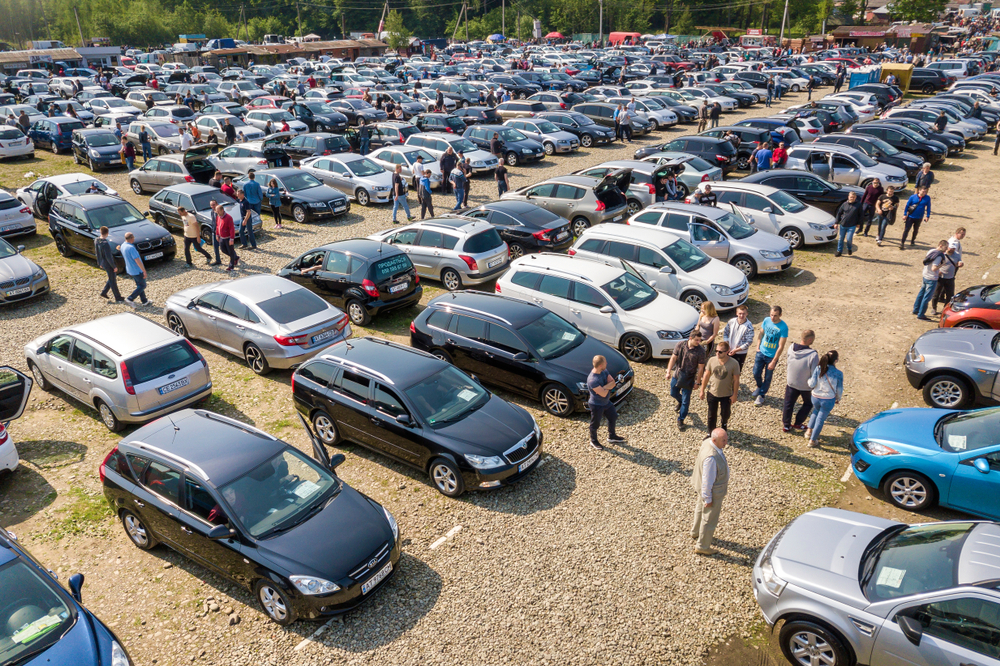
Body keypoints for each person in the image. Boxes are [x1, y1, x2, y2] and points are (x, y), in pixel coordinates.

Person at [690, 428, 729, 555]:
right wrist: (708, 498)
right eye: (723, 440)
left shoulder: (707, 443)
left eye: (726, 439)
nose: (726, 442)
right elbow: (708, 480)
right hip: (712, 492)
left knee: (700, 509)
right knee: (709, 519)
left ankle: (696, 532)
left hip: (700, 486)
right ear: (714, 440)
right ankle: (703, 545)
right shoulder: (711, 458)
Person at [666, 331, 707, 431]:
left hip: (689, 378)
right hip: (677, 374)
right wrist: (668, 371)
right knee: (673, 393)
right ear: (690, 338)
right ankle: (679, 401)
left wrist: (698, 382)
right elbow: (673, 357)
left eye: (700, 340)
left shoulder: (701, 351)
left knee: (686, 400)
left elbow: (701, 368)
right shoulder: (681, 344)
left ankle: (681, 419)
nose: (698, 342)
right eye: (696, 340)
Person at [782, 330, 818, 433]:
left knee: (788, 404)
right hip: (805, 386)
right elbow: (814, 372)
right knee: (808, 403)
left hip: (791, 382)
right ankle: (798, 423)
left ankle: (786, 425)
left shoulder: (791, 348)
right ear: (810, 339)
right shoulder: (813, 355)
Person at [752, 305, 788, 407]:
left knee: (768, 377)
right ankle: (759, 386)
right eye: (771, 315)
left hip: (771, 356)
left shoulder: (783, 327)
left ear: (780, 315)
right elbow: (761, 333)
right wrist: (758, 346)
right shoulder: (766, 320)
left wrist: (774, 360)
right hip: (761, 352)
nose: (773, 317)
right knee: (755, 372)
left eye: (775, 316)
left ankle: (762, 395)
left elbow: (781, 346)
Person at [587, 355, 625, 451]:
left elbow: (613, 382)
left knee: (613, 416)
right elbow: (604, 393)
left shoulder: (604, 371)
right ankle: (593, 440)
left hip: (606, 402)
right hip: (596, 405)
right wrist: (607, 387)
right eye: (605, 362)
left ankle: (612, 436)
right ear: (600, 365)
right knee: (595, 424)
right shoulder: (592, 380)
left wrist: (604, 387)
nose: (606, 364)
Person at [805, 351, 843, 447]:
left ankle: (808, 431)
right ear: (836, 360)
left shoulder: (818, 368)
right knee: (820, 419)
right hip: (828, 399)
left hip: (815, 397)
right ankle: (812, 441)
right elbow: (839, 389)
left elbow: (812, 384)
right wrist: (838, 398)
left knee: (815, 411)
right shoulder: (839, 373)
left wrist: (808, 380)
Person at [700, 342, 739, 432]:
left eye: (720, 352)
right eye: (716, 351)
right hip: (712, 392)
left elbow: (736, 380)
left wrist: (735, 394)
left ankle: (724, 424)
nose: (717, 353)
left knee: (725, 413)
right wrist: (702, 390)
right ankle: (710, 432)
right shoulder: (711, 360)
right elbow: (706, 375)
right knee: (711, 415)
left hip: (726, 394)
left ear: (727, 352)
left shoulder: (734, 363)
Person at [914, 239, 947, 321]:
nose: (946, 250)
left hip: (925, 275)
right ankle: (921, 314)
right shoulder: (939, 256)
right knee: (927, 297)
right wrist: (942, 265)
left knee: (921, 293)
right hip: (932, 278)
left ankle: (916, 309)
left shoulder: (931, 251)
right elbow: (933, 268)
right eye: (945, 248)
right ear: (941, 246)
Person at [120, 232, 149, 307]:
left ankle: (144, 301)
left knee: (139, 285)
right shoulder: (131, 248)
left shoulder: (123, 245)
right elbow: (137, 260)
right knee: (142, 285)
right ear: (131, 238)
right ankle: (130, 298)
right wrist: (144, 270)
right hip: (137, 270)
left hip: (130, 269)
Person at [94, 226, 123, 302]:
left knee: (111, 278)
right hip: (108, 263)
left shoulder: (96, 240)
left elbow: (97, 252)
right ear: (107, 233)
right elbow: (108, 256)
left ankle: (104, 292)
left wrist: (99, 262)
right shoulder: (105, 243)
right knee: (112, 280)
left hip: (103, 262)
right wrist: (114, 266)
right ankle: (117, 297)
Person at [722, 305, 754, 370]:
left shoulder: (749, 327)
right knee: (726, 369)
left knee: (737, 371)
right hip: (728, 350)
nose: (742, 316)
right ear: (736, 313)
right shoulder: (731, 322)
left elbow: (749, 342)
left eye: (744, 314)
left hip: (740, 353)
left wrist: (736, 350)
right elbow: (725, 333)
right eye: (740, 313)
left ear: (747, 313)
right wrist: (727, 344)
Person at [834, 191, 863, 257]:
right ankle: (839, 251)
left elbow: (861, 215)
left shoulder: (858, 205)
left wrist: (859, 223)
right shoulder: (844, 204)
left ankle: (849, 248)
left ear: (855, 197)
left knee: (849, 239)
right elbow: (839, 213)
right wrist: (836, 222)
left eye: (853, 197)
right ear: (848, 197)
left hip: (852, 226)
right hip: (843, 225)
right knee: (841, 239)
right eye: (850, 197)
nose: (852, 198)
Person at [214, 201, 238, 271]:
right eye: (216, 211)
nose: (217, 213)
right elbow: (218, 226)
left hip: (228, 238)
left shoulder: (228, 217)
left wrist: (232, 239)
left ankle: (231, 266)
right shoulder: (218, 217)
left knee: (230, 251)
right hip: (221, 237)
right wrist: (217, 234)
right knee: (223, 250)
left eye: (218, 211)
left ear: (222, 210)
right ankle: (235, 257)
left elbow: (231, 229)